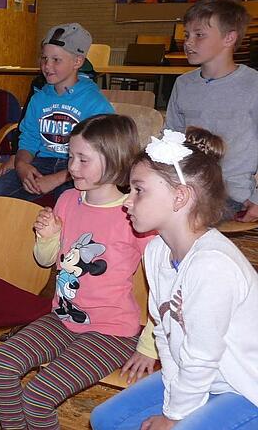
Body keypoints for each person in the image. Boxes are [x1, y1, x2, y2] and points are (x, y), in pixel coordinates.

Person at [0, 114, 155, 429]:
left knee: (37, 397)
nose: (72, 167)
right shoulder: (67, 199)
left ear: (114, 160)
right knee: (1, 364)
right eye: (70, 156)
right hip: (63, 318)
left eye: (83, 159)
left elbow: (167, 285)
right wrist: (47, 238)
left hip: (111, 331)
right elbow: (47, 262)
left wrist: (150, 345)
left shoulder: (133, 215)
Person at [91, 128, 258, 430]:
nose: (127, 201)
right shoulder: (157, 251)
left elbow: (201, 357)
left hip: (244, 386)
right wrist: (173, 401)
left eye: (139, 190)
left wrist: (174, 416)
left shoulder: (212, 266)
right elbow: (165, 334)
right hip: (198, 376)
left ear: (180, 197)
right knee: (105, 419)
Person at [0, 23, 113, 202]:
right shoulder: (39, 98)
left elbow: (102, 155)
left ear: (77, 62)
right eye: (44, 58)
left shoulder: (95, 103)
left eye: (56, 60)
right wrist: (21, 164)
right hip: (42, 162)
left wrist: (58, 178)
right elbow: (29, 139)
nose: (47, 66)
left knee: (66, 201)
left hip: (77, 168)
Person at [164, 0, 258, 222]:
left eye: (199, 35)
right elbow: (170, 137)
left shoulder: (253, 85)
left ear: (229, 38)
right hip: (185, 186)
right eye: (187, 35)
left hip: (229, 194)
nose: (188, 42)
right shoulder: (183, 84)